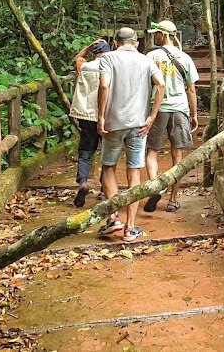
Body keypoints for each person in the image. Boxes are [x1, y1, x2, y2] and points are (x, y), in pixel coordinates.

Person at [96, 27, 165, 241]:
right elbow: (161, 84)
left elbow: (104, 85)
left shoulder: (108, 58)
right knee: (134, 171)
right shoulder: (146, 60)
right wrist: (152, 116)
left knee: (108, 167)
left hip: (113, 124)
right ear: (135, 43)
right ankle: (130, 227)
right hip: (139, 125)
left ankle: (114, 217)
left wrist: (100, 116)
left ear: (116, 42)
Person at [142, 20, 200, 213]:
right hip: (180, 108)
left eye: (156, 33)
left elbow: (144, 85)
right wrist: (194, 114)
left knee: (152, 151)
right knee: (178, 154)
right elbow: (191, 89)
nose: (154, 36)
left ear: (163, 35)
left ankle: (154, 187)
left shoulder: (150, 56)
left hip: (157, 109)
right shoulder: (185, 58)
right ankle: (174, 199)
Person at [68, 38, 111, 208]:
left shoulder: (84, 67)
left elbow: (78, 57)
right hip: (106, 116)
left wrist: (89, 45)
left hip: (86, 116)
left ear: (94, 54)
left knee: (86, 151)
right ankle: (104, 189)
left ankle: (83, 183)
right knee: (108, 153)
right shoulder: (111, 68)